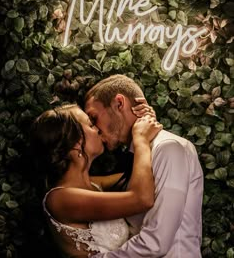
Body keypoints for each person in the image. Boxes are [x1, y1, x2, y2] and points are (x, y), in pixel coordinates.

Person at [84, 74, 204, 258]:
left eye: (94, 117)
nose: (95, 128)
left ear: (119, 103)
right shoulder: (139, 154)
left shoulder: (168, 148)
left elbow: (156, 242)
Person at [30, 103, 163, 258]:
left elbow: (142, 176)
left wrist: (141, 121)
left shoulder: (94, 185)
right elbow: (142, 199)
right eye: (91, 124)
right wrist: (141, 140)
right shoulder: (59, 199)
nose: (98, 129)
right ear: (76, 143)